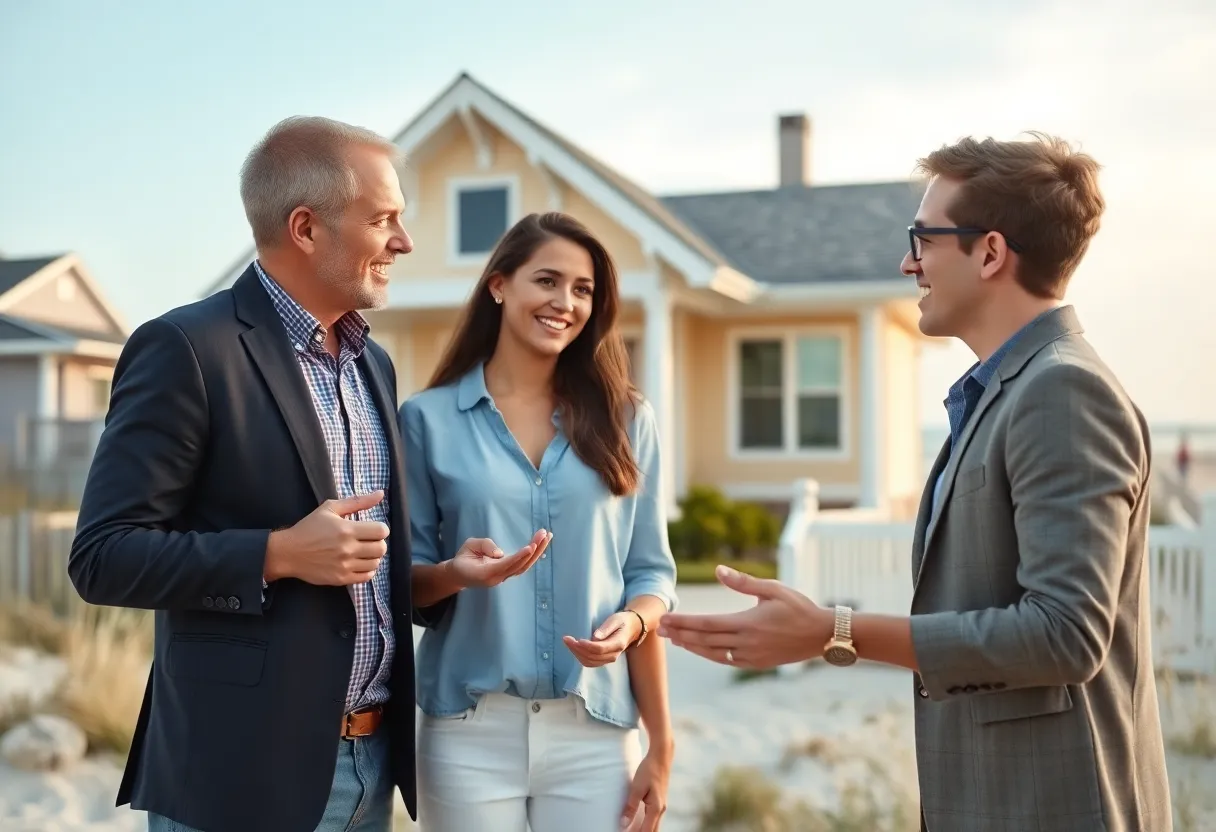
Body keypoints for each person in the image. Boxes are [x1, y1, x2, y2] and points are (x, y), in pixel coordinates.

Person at [659, 133, 1172, 831]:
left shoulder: (1062, 392)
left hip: (1054, 805)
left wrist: (833, 631)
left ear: (990, 252)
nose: (908, 262)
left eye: (923, 239)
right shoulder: (1009, 391)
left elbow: (1065, 634)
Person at [67, 115, 505, 832]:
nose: (404, 241)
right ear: (306, 227)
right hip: (240, 775)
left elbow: (359, 572)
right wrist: (276, 554)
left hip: (372, 768)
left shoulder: (374, 363)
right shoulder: (186, 348)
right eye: (384, 220)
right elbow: (103, 558)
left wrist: (445, 574)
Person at [398, 211, 678, 832]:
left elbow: (650, 574)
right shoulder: (425, 420)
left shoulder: (628, 421)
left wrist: (658, 734)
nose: (565, 303)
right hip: (468, 733)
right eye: (547, 281)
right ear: (499, 284)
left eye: (583, 290)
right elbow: (405, 586)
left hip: (597, 733)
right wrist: (457, 574)